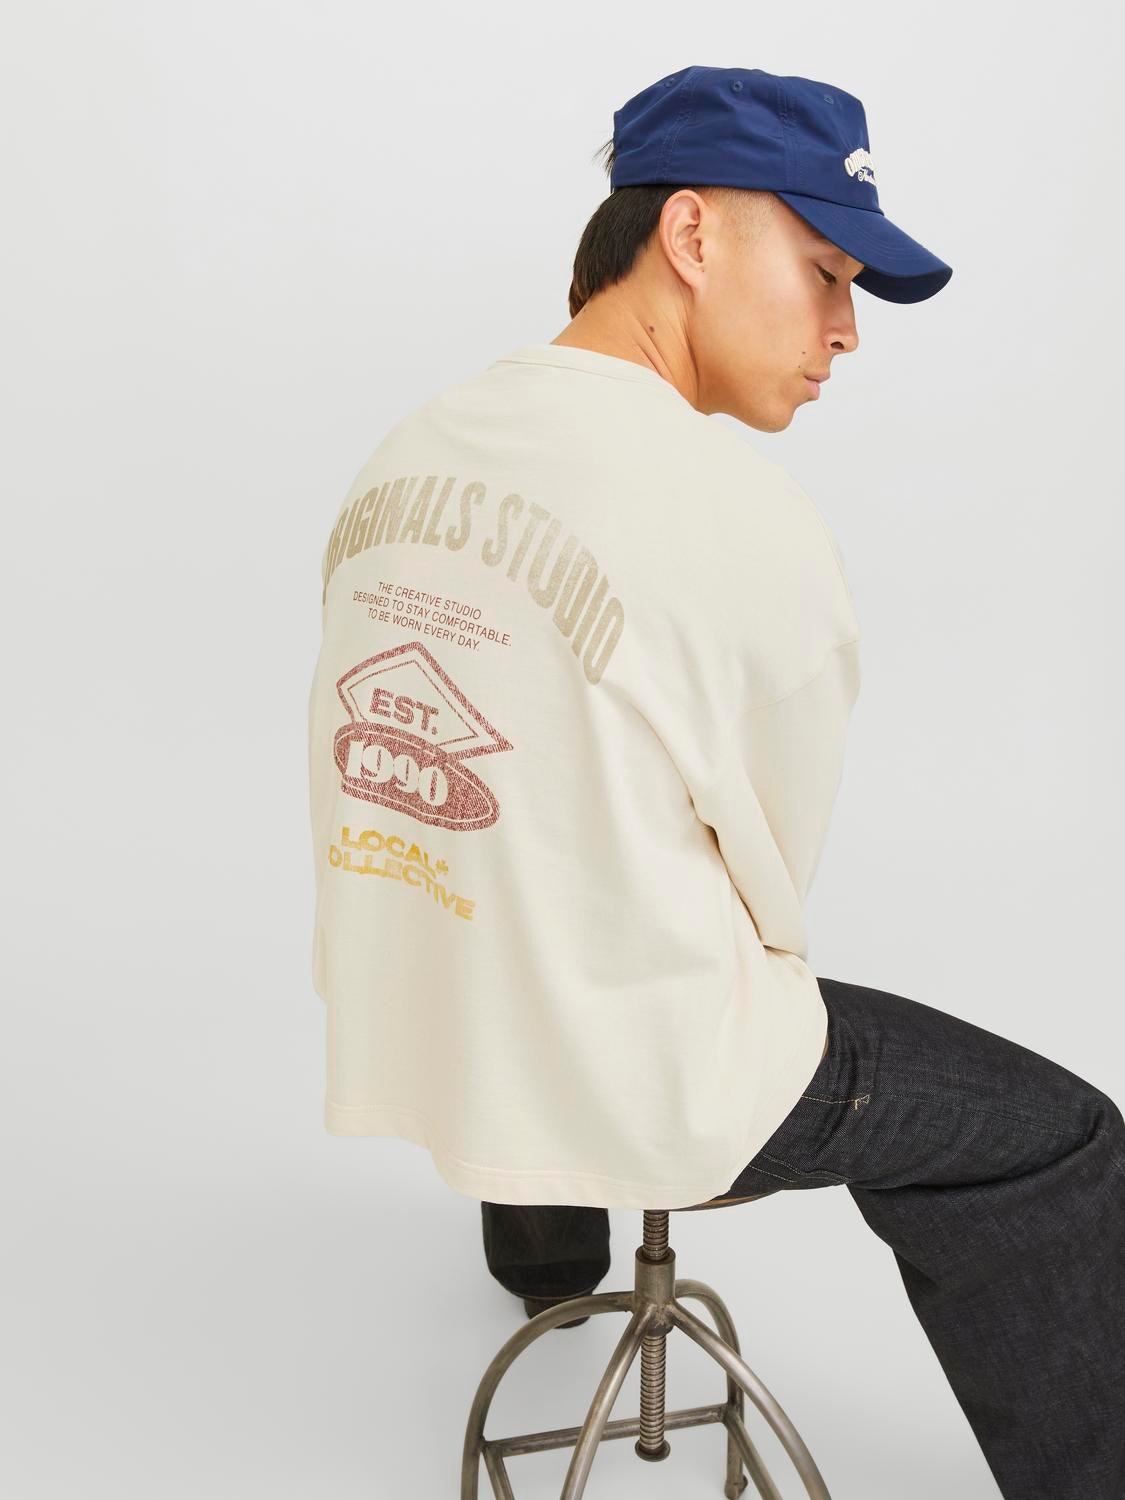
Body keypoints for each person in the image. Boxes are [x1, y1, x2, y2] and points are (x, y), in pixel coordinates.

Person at [308, 66, 1124, 1497]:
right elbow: (768, 888)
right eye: (824, 272)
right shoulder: (745, 521)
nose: (846, 330)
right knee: (1061, 1145)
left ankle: (545, 1252)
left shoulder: (408, 449)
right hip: (640, 1071)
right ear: (689, 234)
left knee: (541, 850)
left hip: (420, 1016)